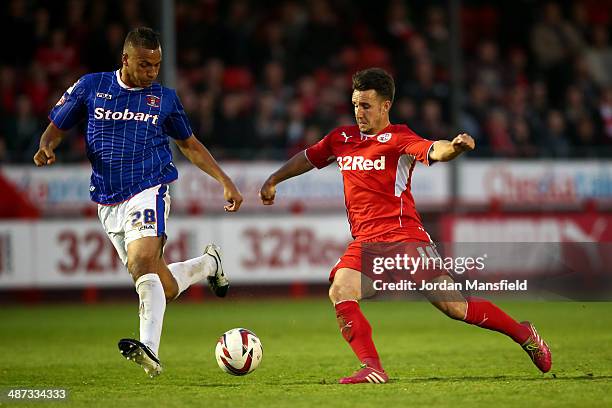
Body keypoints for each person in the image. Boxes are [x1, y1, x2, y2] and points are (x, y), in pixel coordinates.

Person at [259, 68, 551, 384]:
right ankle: (373, 367)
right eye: (356, 104)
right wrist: (274, 179)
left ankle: (523, 333)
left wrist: (454, 147)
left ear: (386, 106)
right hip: (366, 242)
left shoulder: (398, 138)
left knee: (455, 307)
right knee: (341, 290)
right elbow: (308, 156)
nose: (359, 112)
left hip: (405, 238)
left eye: (366, 105)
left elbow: (432, 149)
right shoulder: (340, 139)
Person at [33, 27, 243, 378]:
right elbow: (57, 125)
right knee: (161, 284)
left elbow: (189, 145)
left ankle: (151, 353)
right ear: (126, 59)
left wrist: (224, 180)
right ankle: (208, 264)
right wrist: (46, 145)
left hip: (150, 186)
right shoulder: (91, 86)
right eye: (144, 65)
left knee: (142, 259)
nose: (151, 73)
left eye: (156, 66)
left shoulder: (164, 99)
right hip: (107, 199)